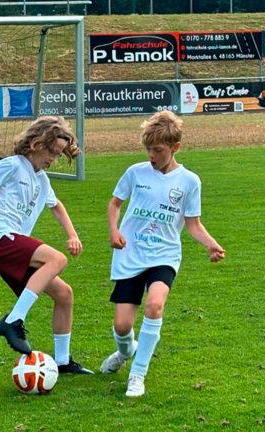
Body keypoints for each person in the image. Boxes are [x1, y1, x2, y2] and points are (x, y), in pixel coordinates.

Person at [0, 116, 93, 375]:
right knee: (57, 260)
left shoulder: (42, 180)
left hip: (12, 242)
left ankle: (62, 361)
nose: (53, 158)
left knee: (64, 294)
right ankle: (13, 320)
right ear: (36, 144)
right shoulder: (12, 165)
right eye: (51, 151)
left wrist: (73, 234)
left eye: (59, 154)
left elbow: (57, 206)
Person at [101, 111, 225, 397]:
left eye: (158, 150)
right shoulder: (136, 172)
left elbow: (192, 224)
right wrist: (113, 231)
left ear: (175, 148)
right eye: (148, 149)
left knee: (155, 306)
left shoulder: (190, 181)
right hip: (130, 254)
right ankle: (125, 352)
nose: (152, 155)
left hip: (165, 255)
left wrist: (210, 245)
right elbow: (114, 204)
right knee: (122, 326)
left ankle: (138, 373)